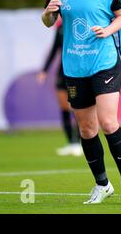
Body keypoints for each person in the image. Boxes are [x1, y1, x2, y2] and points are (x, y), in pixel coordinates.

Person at [41, 0, 121, 204]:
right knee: (86, 129)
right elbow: (48, 22)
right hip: (74, 66)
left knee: (108, 122)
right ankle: (102, 184)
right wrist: (48, 13)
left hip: (104, 62)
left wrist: (108, 30)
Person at [36, 17, 83, 157]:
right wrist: (44, 70)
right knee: (64, 107)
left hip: (78, 71)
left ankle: (79, 143)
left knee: (79, 108)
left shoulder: (81, 24)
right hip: (63, 72)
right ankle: (71, 143)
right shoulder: (60, 28)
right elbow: (54, 49)